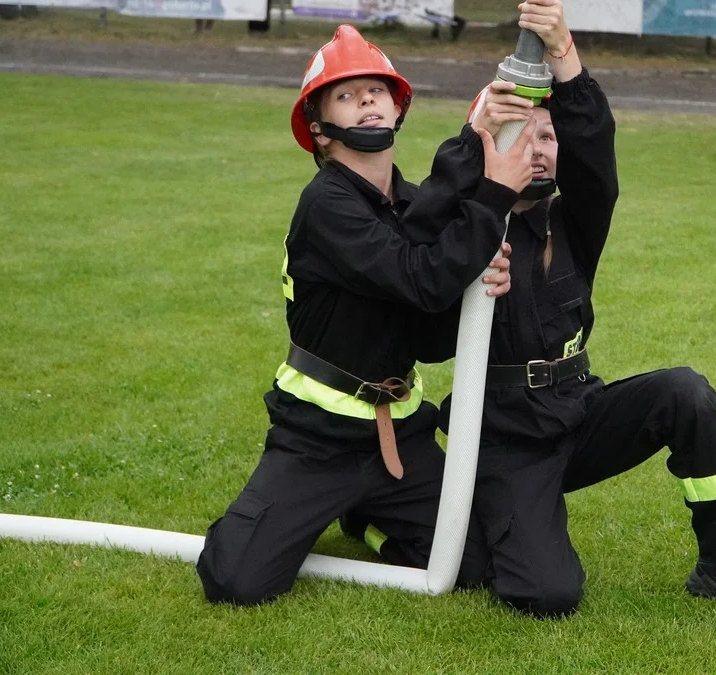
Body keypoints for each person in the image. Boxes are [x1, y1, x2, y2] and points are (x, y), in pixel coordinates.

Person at [346, 0, 716, 618]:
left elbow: (594, 146)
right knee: (545, 593)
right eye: (522, 136)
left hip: (578, 411)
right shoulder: (464, 228)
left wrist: (564, 56)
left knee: (684, 393)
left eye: (549, 138)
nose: (537, 150)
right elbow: (418, 257)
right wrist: (472, 139)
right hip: (505, 440)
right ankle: (370, 515)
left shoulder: (575, 222)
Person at [196, 24, 537, 606]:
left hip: (398, 436)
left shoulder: (403, 200)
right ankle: (309, 509)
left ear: (397, 108)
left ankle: (363, 517)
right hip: (318, 440)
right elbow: (420, 275)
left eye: (377, 91)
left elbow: (428, 324)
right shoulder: (326, 205)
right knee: (235, 580)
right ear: (320, 132)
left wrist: (475, 283)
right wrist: (492, 200)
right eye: (347, 96)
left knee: (474, 561)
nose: (368, 102)